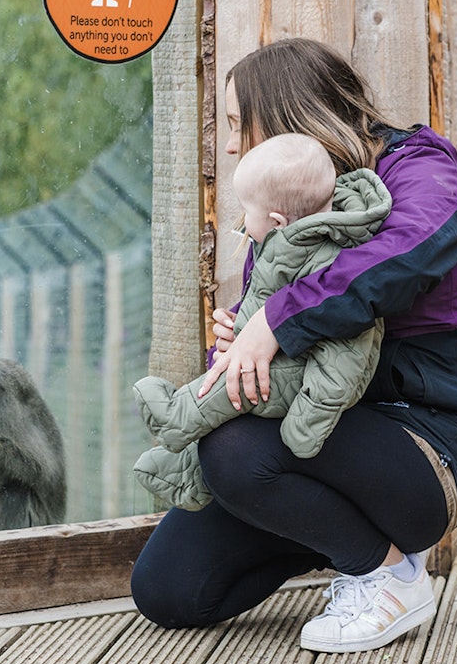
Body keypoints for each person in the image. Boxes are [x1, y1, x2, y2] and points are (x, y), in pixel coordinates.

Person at [130, 37, 457, 654]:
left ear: (285, 116)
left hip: (431, 440)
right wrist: (237, 350)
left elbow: (404, 256)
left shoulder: (420, 169)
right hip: (321, 444)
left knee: (232, 451)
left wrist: (275, 322)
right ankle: (341, 535)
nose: (229, 145)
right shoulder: (285, 221)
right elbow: (264, 353)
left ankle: (388, 576)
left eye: (236, 123)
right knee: (170, 590)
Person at [131, 132, 392, 511]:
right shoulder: (287, 243)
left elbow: (345, 356)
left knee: (233, 387)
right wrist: (240, 328)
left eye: (245, 211)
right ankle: (188, 473)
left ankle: (174, 417)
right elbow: (269, 306)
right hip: (293, 363)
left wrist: (307, 423)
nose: (242, 221)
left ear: (276, 219)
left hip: (309, 382)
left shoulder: (329, 257)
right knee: (233, 380)